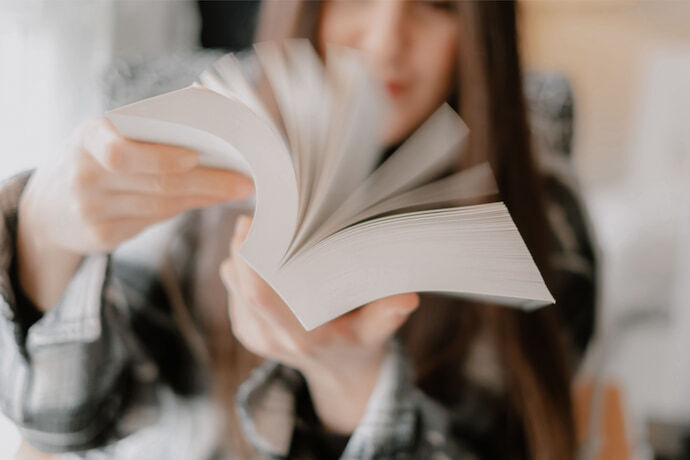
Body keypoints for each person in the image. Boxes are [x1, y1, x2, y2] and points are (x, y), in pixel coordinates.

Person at [0, 1, 597, 459]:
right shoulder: (203, 153)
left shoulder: (541, 221)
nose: (389, 40)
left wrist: (352, 385)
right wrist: (42, 242)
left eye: (436, 3)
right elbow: (76, 422)